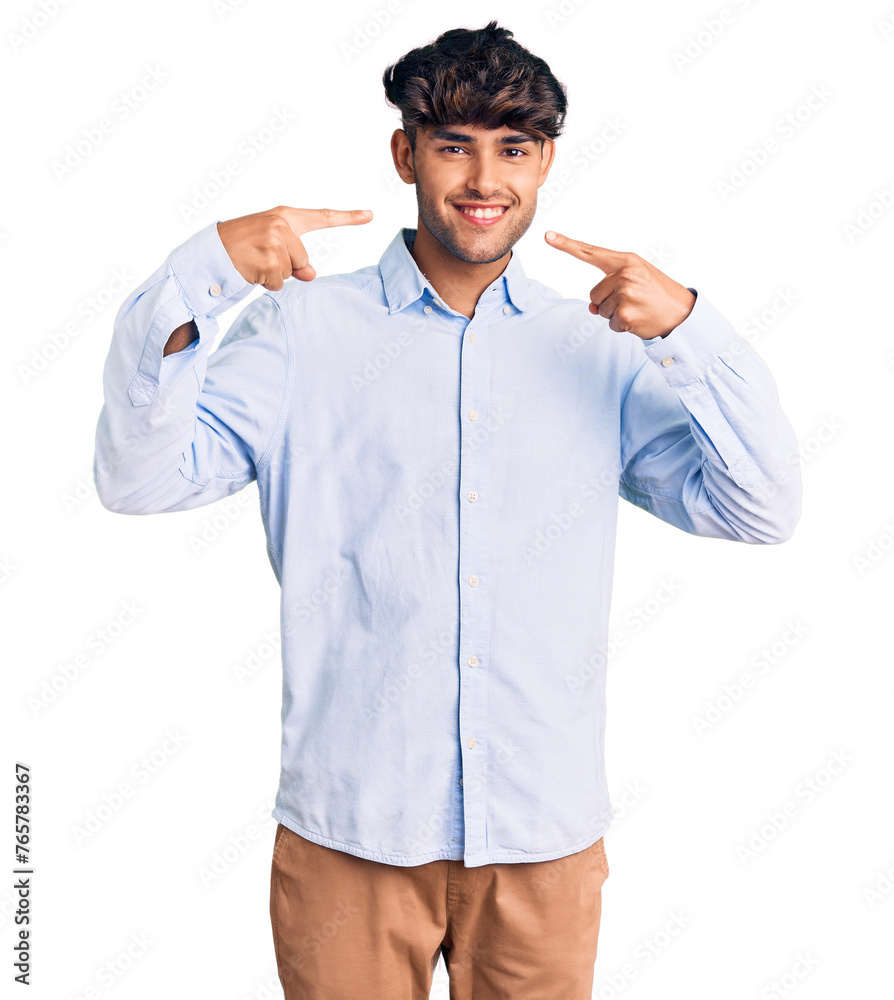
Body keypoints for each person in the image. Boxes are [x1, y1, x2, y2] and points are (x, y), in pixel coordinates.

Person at [93, 19, 801, 1000]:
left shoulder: (594, 346)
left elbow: (762, 505)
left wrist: (691, 327)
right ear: (405, 154)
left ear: (546, 161)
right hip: (349, 834)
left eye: (512, 148)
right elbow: (139, 476)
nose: (483, 178)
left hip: (542, 842)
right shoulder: (301, 328)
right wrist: (198, 275)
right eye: (454, 144)